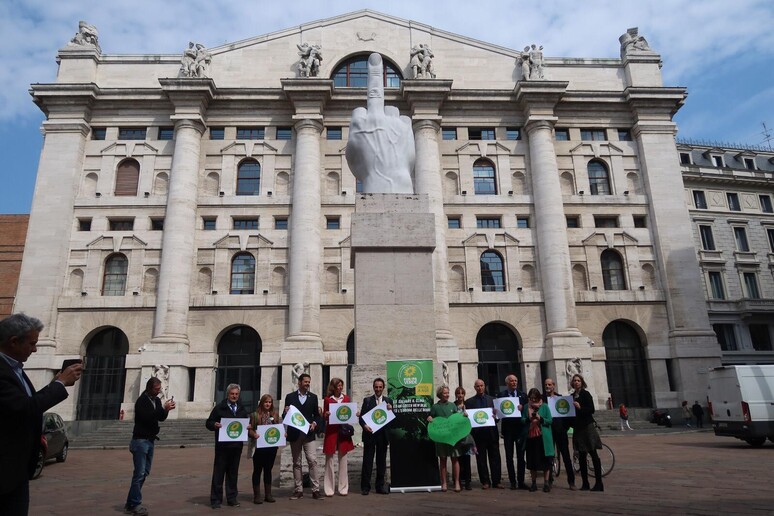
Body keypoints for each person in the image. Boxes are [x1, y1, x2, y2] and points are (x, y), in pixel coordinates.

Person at [0, 314, 83, 516]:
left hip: (16, 470)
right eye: (32, 343)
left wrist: (53, 385)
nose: (35, 349)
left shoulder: (15, 369)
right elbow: (24, 409)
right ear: (13, 342)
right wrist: (59, 384)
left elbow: (26, 405)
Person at [124, 377, 175, 515]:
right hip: (140, 441)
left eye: (159, 389)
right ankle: (134, 504)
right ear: (149, 388)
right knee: (139, 473)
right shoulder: (142, 401)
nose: (158, 392)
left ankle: (130, 503)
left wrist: (167, 409)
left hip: (150, 440)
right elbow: (146, 418)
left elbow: (160, 418)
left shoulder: (157, 400)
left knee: (144, 473)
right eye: (156, 389)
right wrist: (162, 409)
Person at [206, 383, 249, 508]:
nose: (234, 396)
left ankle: (232, 498)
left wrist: (248, 426)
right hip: (222, 447)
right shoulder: (219, 408)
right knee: (218, 474)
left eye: (236, 394)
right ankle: (215, 500)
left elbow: (245, 422)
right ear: (228, 394)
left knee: (233, 473)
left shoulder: (241, 408)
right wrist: (214, 424)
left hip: (236, 447)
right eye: (232, 394)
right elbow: (208, 422)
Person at [283, 373, 322, 500]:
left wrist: (314, 423)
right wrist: (285, 412)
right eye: (305, 382)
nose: (307, 384)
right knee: (296, 462)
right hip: (295, 434)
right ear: (299, 382)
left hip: (308, 435)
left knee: (313, 461)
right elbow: (286, 418)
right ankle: (298, 490)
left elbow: (317, 415)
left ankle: (316, 490)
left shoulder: (313, 397)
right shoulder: (290, 397)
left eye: (309, 382)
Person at [464, 379, 503, 490]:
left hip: (491, 433)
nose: (480, 388)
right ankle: (485, 481)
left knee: (495, 457)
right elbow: (469, 419)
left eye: (481, 386)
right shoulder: (469, 402)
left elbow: (498, 418)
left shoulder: (492, 400)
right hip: (478, 434)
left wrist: (496, 416)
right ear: (474, 387)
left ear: (484, 386)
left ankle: (497, 481)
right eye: (477, 386)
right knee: (481, 459)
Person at [427, 385, 465, 492]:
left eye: (448, 393)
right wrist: (429, 419)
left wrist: (464, 415)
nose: (447, 395)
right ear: (440, 394)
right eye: (445, 393)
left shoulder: (453, 405)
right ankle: (443, 483)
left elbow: (458, 418)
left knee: (455, 458)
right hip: (441, 437)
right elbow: (431, 418)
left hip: (453, 437)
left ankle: (456, 482)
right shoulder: (435, 407)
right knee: (443, 459)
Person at [359, 377, 393, 495]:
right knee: (367, 461)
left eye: (380, 387)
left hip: (382, 436)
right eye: (376, 387)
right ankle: (365, 487)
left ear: (383, 388)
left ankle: (380, 486)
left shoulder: (388, 401)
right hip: (370, 435)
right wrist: (364, 426)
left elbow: (393, 418)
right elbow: (361, 418)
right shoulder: (367, 400)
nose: (378, 389)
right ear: (373, 388)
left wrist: (391, 410)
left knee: (381, 462)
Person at [571, 374, 604, 492]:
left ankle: (599, 483)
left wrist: (580, 407)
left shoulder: (586, 394)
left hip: (587, 427)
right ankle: (585, 483)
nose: (576, 382)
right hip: (578, 428)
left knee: (593, 453)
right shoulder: (571, 396)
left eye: (578, 380)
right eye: (574, 381)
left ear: (582, 382)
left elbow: (591, 409)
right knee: (581, 456)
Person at [322, 378, 354, 497]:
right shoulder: (327, 400)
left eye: (341, 385)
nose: (340, 387)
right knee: (329, 460)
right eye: (338, 386)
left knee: (343, 460)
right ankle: (329, 489)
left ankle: (343, 487)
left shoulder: (346, 398)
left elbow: (348, 413)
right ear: (333, 387)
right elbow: (324, 415)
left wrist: (354, 414)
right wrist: (326, 414)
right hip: (331, 431)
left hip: (343, 431)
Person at [543, 377, 575, 490]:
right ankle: (549, 480)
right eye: (546, 385)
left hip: (560, 431)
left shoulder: (561, 398)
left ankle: (571, 481)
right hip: (548, 432)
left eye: (549, 385)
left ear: (554, 385)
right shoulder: (542, 400)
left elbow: (567, 415)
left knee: (566, 456)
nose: (547, 387)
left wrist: (565, 428)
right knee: (549, 457)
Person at [247, 394, 279, 504]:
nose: (268, 404)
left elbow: (278, 429)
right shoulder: (255, 415)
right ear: (262, 403)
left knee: (268, 470)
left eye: (270, 402)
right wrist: (254, 434)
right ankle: (257, 495)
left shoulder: (274, 415)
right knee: (257, 470)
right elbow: (249, 429)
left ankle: (268, 494)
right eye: (266, 402)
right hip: (259, 447)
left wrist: (283, 434)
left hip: (271, 447)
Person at [499, 374, 528, 490]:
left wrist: (523, 408)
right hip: (508, 431)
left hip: (520, 429)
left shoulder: (523, 396)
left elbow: (528, 410)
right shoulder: (501, 396)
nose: (514, 382)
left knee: (521, 456)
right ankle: (512, 481)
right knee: (509, 456)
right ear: (507, 383)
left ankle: (521, 481)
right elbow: (498, 414)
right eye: (512, 381)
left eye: (516, 380)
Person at [522, 388, 554, 492]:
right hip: (531, 437)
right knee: (532, 462)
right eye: (531, 398)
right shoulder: (526, 407)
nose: (533, 400)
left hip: (543, 437)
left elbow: (550, 420)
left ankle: (546, 483)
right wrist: (528, 419)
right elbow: (522, 420)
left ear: (539, 398)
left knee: (546, 461)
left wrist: (541, 418)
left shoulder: (544, 406)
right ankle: (534, 483)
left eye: (535, 398)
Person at [454, 386, 474, 491]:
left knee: (467, 459)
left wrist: (468, 416)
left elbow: (474, 418)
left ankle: (468, 481)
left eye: (462, 393)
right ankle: (459, 480)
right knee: (458, 458)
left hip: (467, 435)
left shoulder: (469, 405)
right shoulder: (452, 406)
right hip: (457, 436)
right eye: (458, 393)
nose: (460, 395)